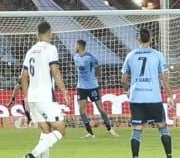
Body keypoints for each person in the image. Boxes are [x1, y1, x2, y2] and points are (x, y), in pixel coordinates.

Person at [18, 21, 69, 158]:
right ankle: (32, 155)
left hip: (33, 97)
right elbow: (55, 72)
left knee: (46, 132)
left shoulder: (30, 51)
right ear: (50, 33)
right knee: (61, 129)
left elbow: (23, 77)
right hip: (45, 96)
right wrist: (64, 92)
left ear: (37, 34)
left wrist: (26, 97)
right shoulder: (51, 49)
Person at [121, 28, 172, 158]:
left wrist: (127, 90)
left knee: (137, 130)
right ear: (151, 39)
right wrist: (170, 95)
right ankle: (169, 156)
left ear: (138, 39)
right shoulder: (157, 54)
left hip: (136, 97)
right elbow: (164, 78)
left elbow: (123, 80)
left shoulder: (131, 55)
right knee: (162, 127)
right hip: (153, 97)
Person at [73, 39, 116, 138]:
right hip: (81, 87)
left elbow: (98, 68)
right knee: (81, 110)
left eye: (76, 45)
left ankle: (110, 129)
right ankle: (90, 132)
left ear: (80, 46)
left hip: (92, 86)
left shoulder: (91, 57)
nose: (74, 47)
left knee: (100, 108)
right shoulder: (75, 57)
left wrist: (96, 77)